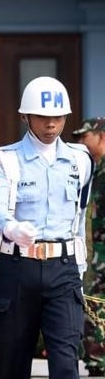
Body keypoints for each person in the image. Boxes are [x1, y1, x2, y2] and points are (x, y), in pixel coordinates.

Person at [0, 76, 100, 379]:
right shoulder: (4, 158)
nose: (51, 124)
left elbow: (79, 213)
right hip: (18, 268)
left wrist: (80, 265)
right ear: (27, 116)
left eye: (57, 117)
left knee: (67, 361)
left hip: (63, 269)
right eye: (43, 116)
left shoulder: (82, 159)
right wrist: (12, 227)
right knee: (10, 363)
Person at [75, 118, 105, 294]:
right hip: (99, 262)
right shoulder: (95, 170)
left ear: (101, 136)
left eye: (84, 136)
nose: (80, 142)